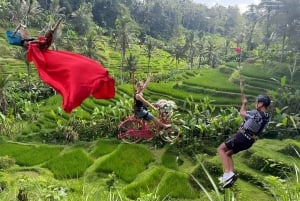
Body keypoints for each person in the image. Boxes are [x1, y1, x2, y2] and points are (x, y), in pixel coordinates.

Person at [217, 94, 271, 188]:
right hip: (249, 141)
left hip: (242, 137)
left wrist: (244, 104)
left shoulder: (255, 113)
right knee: (228, 154)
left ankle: (227, 173)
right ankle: (231, 176)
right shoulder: (266, 117)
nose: (256, 103)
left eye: (257, 102)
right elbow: (251, 121)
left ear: (261, 104)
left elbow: (242, 113)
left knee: (220, 149)